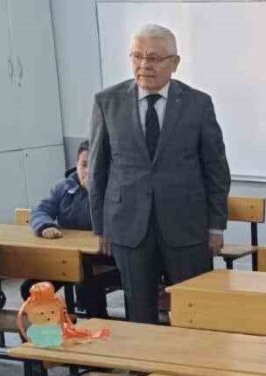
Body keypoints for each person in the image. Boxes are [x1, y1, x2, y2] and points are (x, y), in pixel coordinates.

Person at [90, 24, 232, 325]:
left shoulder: (197, 104)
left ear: (174, 63)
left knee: (194, 309)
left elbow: (216, 169)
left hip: (186, 225)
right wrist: (100, 227)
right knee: (138, 310)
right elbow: (98, 169)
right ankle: (143, 358)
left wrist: (216, 226)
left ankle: (196, 357)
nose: (144, 65)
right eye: (137, 56)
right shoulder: (108, 102)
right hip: (128, 225)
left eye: (154, 58)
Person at [23, 142, 115, 318]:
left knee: (87, 287)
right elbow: (40, 211)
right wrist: (46, 226)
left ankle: (100, 325)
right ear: (76, 165)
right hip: (67, 258)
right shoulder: (64, 188)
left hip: (102, 258)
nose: (88, 171)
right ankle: (54, 324)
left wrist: (94, 194)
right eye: (84, 165)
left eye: (94, 165)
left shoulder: (113, 190)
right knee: (30, 288)